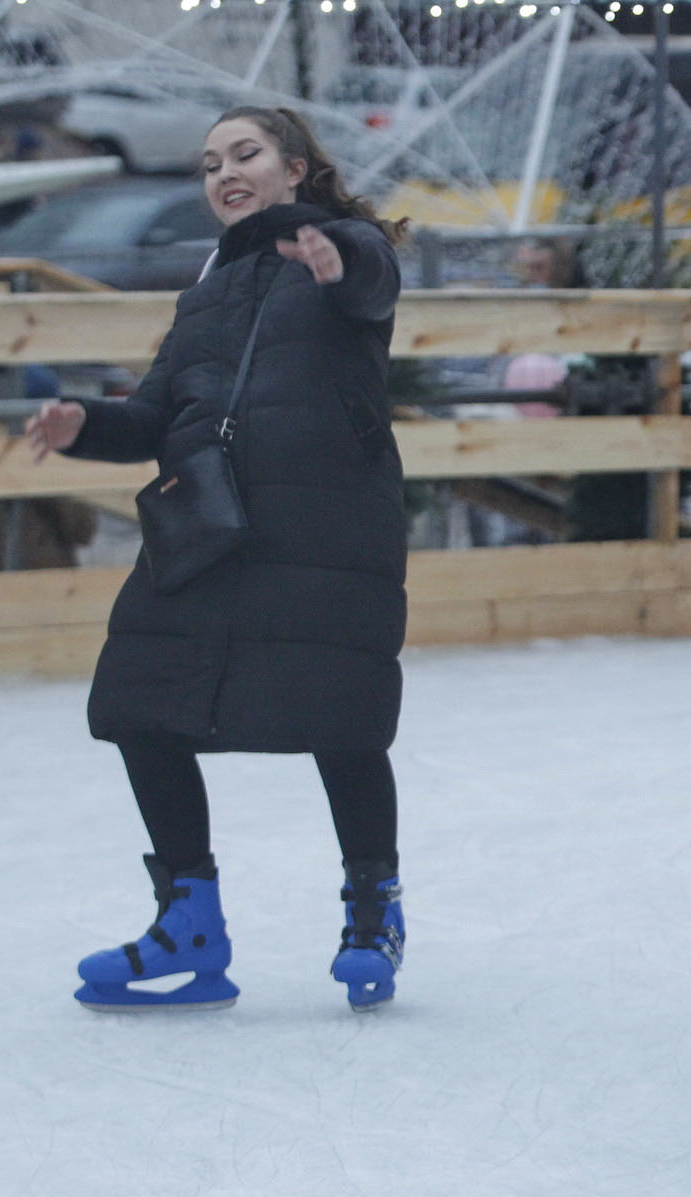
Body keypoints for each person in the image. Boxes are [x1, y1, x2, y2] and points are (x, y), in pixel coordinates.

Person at [26, 106, 410, 1011]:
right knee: (136, 700)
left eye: (245, 154)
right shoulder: (205, 289)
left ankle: (371, 911)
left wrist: (334, 259)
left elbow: (372, 289)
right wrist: (86, 424)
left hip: (323, 527)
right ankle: (189, 918)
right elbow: (157, 412)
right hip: (208, 528)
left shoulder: (351, 243)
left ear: (297, 169)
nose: (224, 173)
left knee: (339, 714)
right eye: (208, 164)